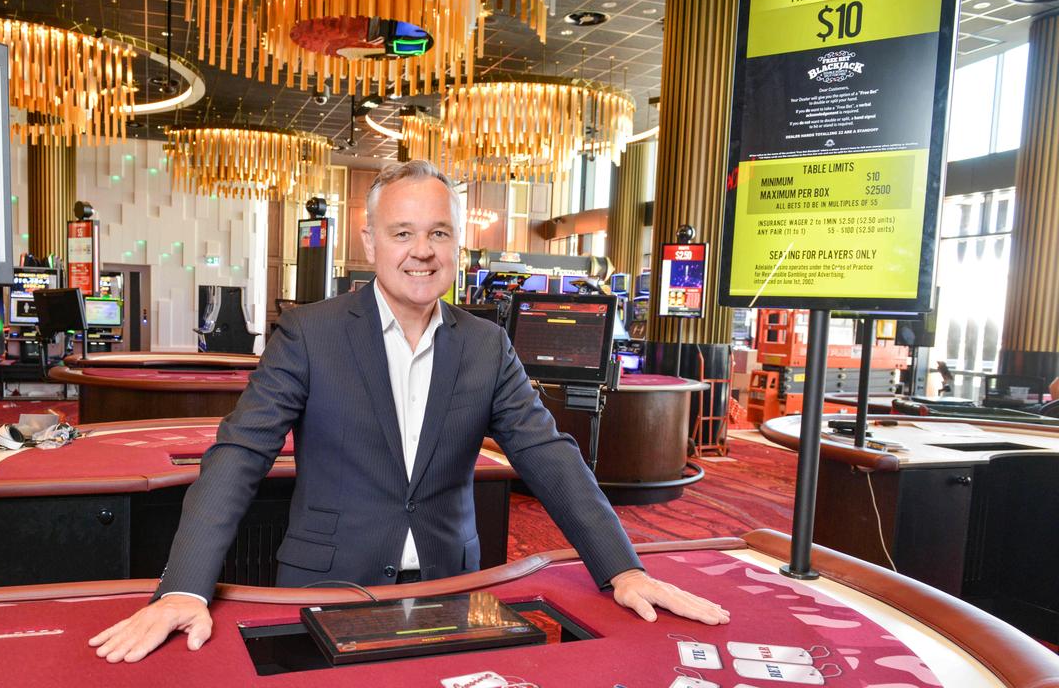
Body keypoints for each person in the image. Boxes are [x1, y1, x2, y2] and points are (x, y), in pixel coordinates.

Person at [90, 160, 729, 663]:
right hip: (327, 589)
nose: (421, 251)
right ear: (371, 241)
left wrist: (621, 567)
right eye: (403, 232)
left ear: (455, 243)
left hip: (449, 591)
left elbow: (548, 456)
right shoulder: (309, 333)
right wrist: (183, 586)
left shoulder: (487, 344)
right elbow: (238, 456)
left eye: (438, 232)